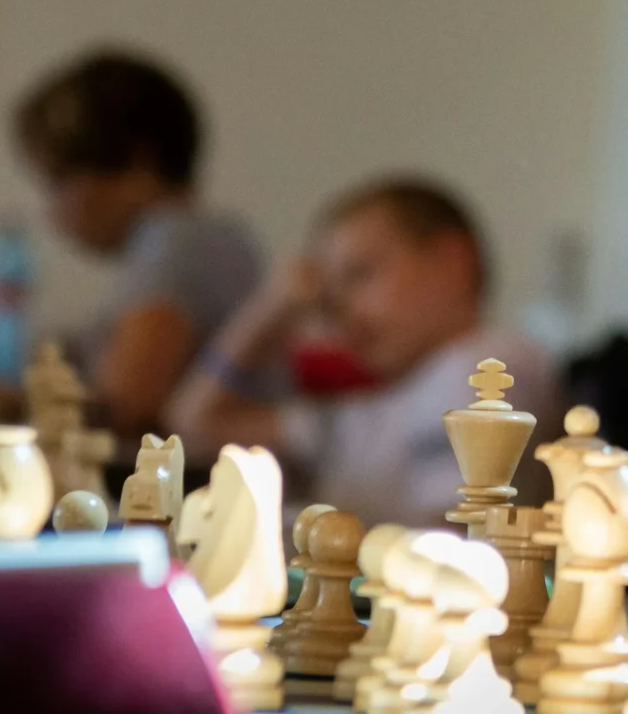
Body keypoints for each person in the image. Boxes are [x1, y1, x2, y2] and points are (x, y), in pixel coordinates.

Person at [168, 176, 557, 527]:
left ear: (450, 260)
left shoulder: (487, 364)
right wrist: (271, 308)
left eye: (359, 275)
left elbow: (447, 535)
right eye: (329, 299)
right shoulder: (377, 410)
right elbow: (193, 424)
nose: (343, 312)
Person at [12, 48, 263, 440]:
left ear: (136, 162)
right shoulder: (215, 235)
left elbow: (124, 407)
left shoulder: (175, 240)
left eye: (60, 182)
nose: (55, 212)